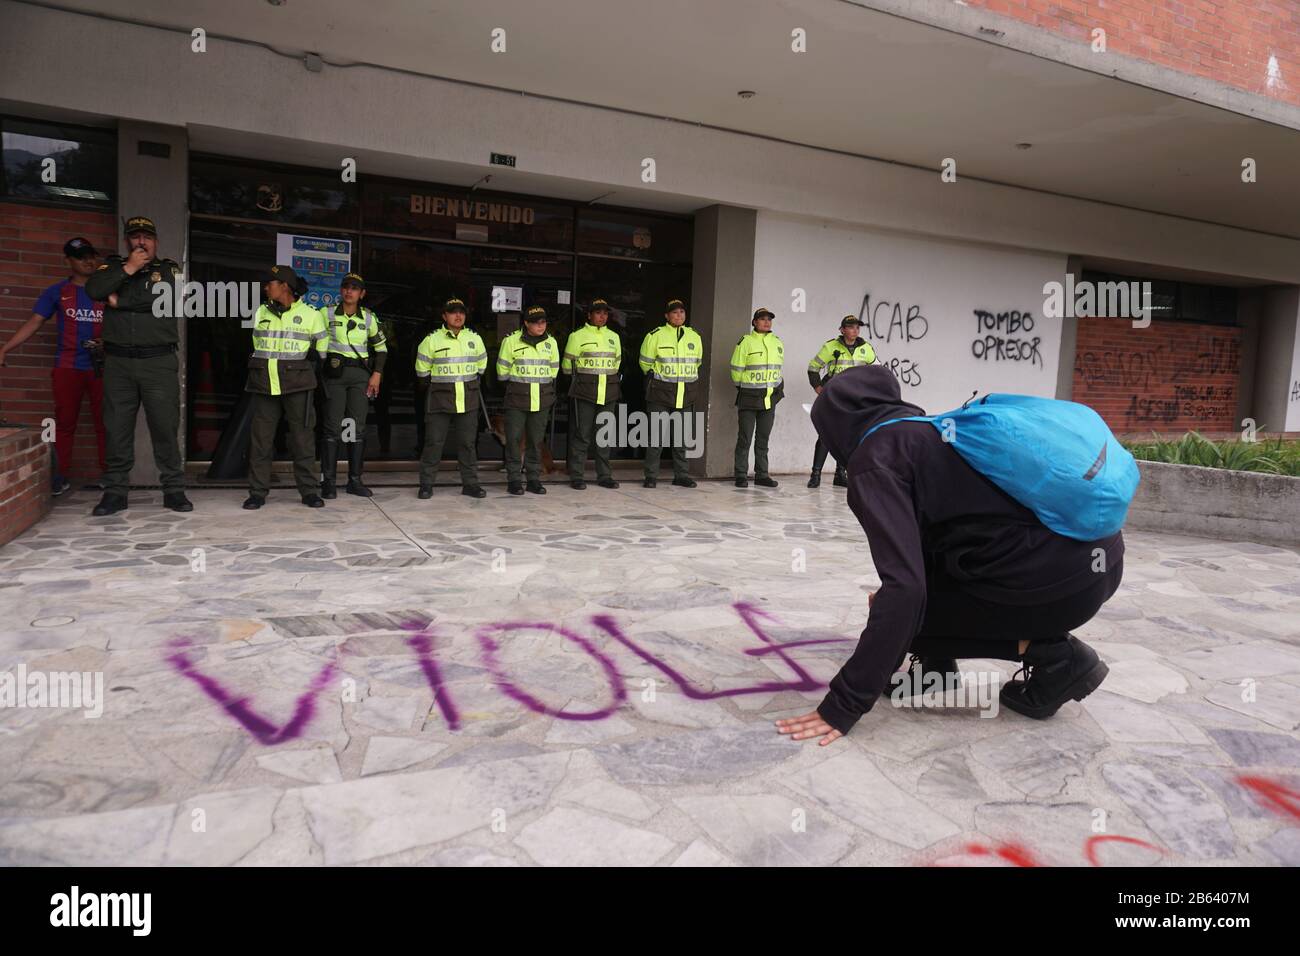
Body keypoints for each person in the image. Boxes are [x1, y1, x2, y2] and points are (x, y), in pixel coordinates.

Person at [776, 365, 1121, 744]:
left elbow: (906, 591)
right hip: (1096, 565)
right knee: (906, 605)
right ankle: (936, 669)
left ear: (835, 423)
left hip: (1058, 584)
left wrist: (843, 705)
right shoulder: (931, 430)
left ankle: (1058, 659)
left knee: (899, 609)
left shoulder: (875, 460)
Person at [84, 216, 192, 515]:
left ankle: (173, 490)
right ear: (127, 242)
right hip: (118, 363)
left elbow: (171, 298)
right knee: (116, 429)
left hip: (158, 362)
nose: (141, 242)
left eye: (147, 237)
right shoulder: (112, 267)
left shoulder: (169, 269)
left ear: (156, 241)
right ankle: (115, 493)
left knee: (165, 428)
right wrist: (128, 269)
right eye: (135, 237)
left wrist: (120, 300)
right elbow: (94, 290)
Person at [0, 237, 105, 495]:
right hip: (68, 367)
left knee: (107, 423)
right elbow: (34, 322)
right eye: (81, 257)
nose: (88, 261)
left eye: (91, 255)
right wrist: (4, 348)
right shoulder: (57, 292)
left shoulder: (107, 291)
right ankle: (60, 476)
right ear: (68, 261)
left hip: (104, 367)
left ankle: (110, 475)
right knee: (65, 423)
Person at [242, 265, 328, 510]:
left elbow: (322, 348)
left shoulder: (312, 315)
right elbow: (258, 344)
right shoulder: (261, 312)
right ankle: (257, 492)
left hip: (297, 385)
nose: (266, 287)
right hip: (264, 384)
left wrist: (311, 359)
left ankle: (309, 491)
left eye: (271, 283)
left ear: (285, 287)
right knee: (261, 441)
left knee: (302, 440)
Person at [320, 272, 387, 498]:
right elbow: (314, 344)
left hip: (360, 375)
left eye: (355, 288)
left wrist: (376, 374)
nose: (349, 291)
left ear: (362, 293)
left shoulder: (368, 318)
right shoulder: (325, 314)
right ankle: (328, 482)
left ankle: (354, 481)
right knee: (332, 428)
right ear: (341, 290)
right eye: (346, 287)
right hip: (335, 376)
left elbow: (382, 349)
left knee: (356, 428)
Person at [415, 297, 488, 499]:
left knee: (467, 444)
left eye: (461, 312)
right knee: (433, 443)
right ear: (444, 316)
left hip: (468, 399)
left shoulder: (475, 339)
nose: (458, 316)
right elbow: (422, 372)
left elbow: (481, 367)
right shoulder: (431, 340)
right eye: (453, 312)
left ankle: (471, 484)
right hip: (440, 399)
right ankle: (426, 484)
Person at [806, 314, 877, 488]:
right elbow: (813, 369)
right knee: (825, 435)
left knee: (847, 437)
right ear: (842, 330)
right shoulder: (831, 347)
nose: (855, 330)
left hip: (855, 399)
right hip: (834, 399)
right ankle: (815, 474)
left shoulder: (866, 348)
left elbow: (876, 372)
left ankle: (840, 473)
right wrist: (819, 389)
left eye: (857, 327)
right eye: (851, 327)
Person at [496, 306, 560, 495]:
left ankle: (533, 479)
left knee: (535, 441)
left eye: (543, 322)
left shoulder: (551, 343)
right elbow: (502, 373)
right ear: (526, 323)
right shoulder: (510, 341)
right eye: (536, 322)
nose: (541, 326)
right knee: (514, 441)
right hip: (517, 399)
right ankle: (514, 480)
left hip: (541, 399)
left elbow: (553, 371)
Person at [638, 298, 701, 489]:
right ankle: (651, 476)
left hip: (685, 393)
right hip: (660, 393)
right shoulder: (655, 335)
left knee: (681, 438)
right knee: (656, 437)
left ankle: (681, 475)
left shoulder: (694, 336)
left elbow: (697, 362)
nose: (679, 315)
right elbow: (645, 364)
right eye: (674, 312)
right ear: (667, 316)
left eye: (682, 312)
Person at [563, 297, 622, 489]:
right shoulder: (577, 336)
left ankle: (604, 476)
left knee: (603, 436)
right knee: (582, 435)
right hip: (585, 392)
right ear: (589, 315)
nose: (602, 316)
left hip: (609, 392)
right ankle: (577, 476)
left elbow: (616, 363)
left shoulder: (614, 337)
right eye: (598, 313)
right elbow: (567, 366)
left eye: (605, 313)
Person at [730, 307, 785, 488]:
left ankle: (762, 474)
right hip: (749, 396)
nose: (766, 322)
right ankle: (740, 474)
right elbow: (736, 370)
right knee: (745, 437)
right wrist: (745, 387)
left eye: (769, 319)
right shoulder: (745, 342)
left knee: (763, 439)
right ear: (754, 322)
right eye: (762, 319)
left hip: (769, 398)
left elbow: (778, 369)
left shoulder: (777, 342)